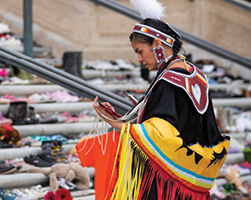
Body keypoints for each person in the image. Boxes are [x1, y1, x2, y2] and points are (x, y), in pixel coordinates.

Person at [90, 1, 230, 200]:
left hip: (168, 184)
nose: (139, 59)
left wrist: (117, 124)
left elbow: (161, 136)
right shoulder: (192, 72)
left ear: (157, 45)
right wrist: (142, 110)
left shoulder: (169, 80)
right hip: (190, 180)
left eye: (139, 51)